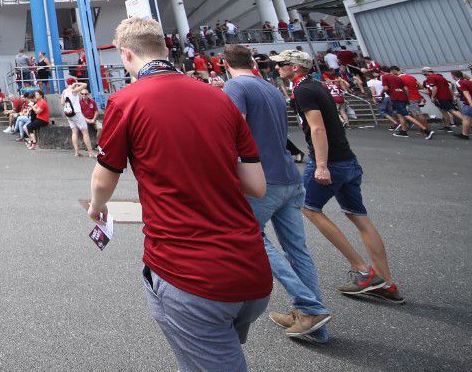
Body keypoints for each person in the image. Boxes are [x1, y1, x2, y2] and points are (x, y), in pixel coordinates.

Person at [90, 18, 271, 372]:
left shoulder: (126, 100)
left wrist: (97, 208)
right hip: (251, 270)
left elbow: (103, 179)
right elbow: (256, 185)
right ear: (166, 49)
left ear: (126, 55)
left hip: (189, 274)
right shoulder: (220, 99)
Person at [272, 49, 405, 304]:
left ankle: (362, 270)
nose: (278, 68)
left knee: (310, 209)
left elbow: (317, 127)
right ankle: (387, 283)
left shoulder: (303, 90)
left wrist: (321, 165)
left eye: (283, 64)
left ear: (296, 67)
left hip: (330, 161)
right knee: (359, 216)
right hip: (347, 159)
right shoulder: (317, 85)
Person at [223, 45, 331, 342]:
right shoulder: (270, 88)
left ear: (225, 63)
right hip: (288, 176)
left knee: (253, 237)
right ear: (253, 61)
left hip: (262, 178)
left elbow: (235, 130)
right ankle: (313, 321)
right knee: (297, 249)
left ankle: (309, 305)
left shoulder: (235, 85)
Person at [61, 81, 95, 158]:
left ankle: (76, 152)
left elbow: (62, 102)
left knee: (74, 132)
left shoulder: (64, 91)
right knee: (85, 133)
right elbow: (85, 85)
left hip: (69, 113)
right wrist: (77, 83)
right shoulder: (74, 91)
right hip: (77, 113)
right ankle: (90, 152)